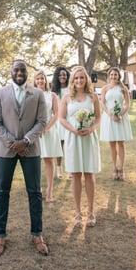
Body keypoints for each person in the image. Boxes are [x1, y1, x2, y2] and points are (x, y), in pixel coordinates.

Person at [0, 59, 48, 257]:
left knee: (35, 192)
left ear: (27, 72)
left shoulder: (38, 94)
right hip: (6, 150)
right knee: (2, 191)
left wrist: (26, 141)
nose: (19, 72)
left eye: (23, 69)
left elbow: (42, 121)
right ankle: (0, 235)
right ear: (11, 72)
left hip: (30, 150)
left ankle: (37, 234)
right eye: (16, 69)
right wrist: (12, 143)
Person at [59, 66, 101, 227]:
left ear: (86, 79)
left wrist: (91, 128)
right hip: (73, 139)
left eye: (81, 78)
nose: (79, 81)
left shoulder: (93, 97)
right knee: (76, 175)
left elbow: (98, 118)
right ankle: (77, 212)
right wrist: (73, 129)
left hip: (89, 138)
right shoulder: (67, 98)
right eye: (76, 78)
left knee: (89, 174)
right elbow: (61, 118)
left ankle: (91, 212)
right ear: (72, 80)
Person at [34, 70, 62, 203]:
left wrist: (46, 127)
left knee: (48, 160)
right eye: (37, 79)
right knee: (34, 161)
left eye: (42, 78)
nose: (40, 81)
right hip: (35, 132)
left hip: (49, 130)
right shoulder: (30, 95)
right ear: (35, 81)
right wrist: (36, 129)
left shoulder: (52, 96)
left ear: (45, 80)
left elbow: (56, 114)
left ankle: (50, 190)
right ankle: (36, 189)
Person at [100, 67, 133, 181]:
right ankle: (114, 168)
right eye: (112, 74)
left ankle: (121, 168)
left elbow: (127, 104)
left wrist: (120, 114)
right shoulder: (105, 88)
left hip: (120, 118)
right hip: (109, 118)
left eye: (116, 75)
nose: (114, 76)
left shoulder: (123, 88)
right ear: (109, 76)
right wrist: (110, 114)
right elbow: (102, 103)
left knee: (121, 143)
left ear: (119, 76)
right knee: (112, 144)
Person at [51, 66, 70, 179]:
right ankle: (59, 168)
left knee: (70, 144)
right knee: (60, 145)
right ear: (57, 77)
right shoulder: (54, 90)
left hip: (69, 119)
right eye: (60, 75)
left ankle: (71, 169)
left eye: (64, 75)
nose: (62, 76)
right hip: (58, 119)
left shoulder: (71, 88)